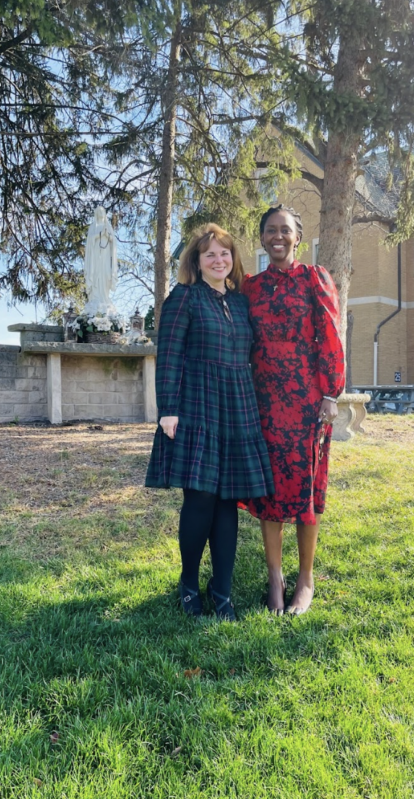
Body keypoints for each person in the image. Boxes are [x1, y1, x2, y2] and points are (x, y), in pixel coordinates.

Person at [145, 224, 274, 621]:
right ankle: (188, 585)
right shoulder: (184, 298)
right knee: (199, 498)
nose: (219, 260)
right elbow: (168, 355)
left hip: (237, 405)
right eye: (210, 255)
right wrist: (168, 408)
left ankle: (222, 593)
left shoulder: (240, 303)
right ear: (196, 262)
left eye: (225, 253)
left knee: (227, 501)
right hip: (197, 402)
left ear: (233, 259)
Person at [240, 205, 345, 615]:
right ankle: (274, 578)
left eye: (285, 230)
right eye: (270, 230)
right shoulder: (250, 287)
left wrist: (331, 393)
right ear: (262, 238)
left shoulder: (314, 279)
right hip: (263, 400)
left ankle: (305, 578)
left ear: (297, 237)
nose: (277, 236)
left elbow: (331, 336)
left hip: (307, 401)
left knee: (304, 491)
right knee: (269, 490)